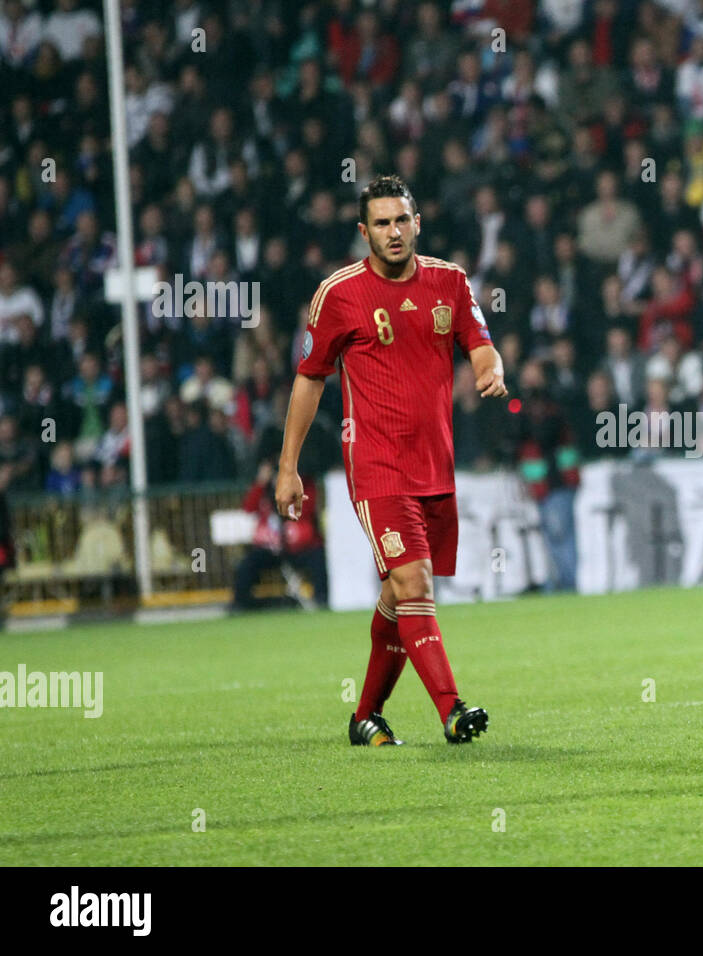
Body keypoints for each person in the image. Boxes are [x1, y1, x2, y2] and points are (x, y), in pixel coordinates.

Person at [275, 175, 508, 749]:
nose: (393, 231)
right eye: (381, 223)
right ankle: (452, 710)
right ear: (364, 232)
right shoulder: (339, 294)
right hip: (376, 466)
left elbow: (480, 338)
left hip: (435, 465)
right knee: (414, 580)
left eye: (402, 220)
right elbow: (309, 382)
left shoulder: (450, 281)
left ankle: (365, 716)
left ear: (417, 222)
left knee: (399, 596)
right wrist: (289, 467)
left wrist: (488, 366)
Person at [233, 462, 328, 611]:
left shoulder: (304, 485)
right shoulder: (264, 491)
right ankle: (241, 603)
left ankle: (322, 599)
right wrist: (261, 482)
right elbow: (248, 507)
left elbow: (306, 509)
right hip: (271, 549)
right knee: (247, 564)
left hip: (300, 548)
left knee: (319, 558)